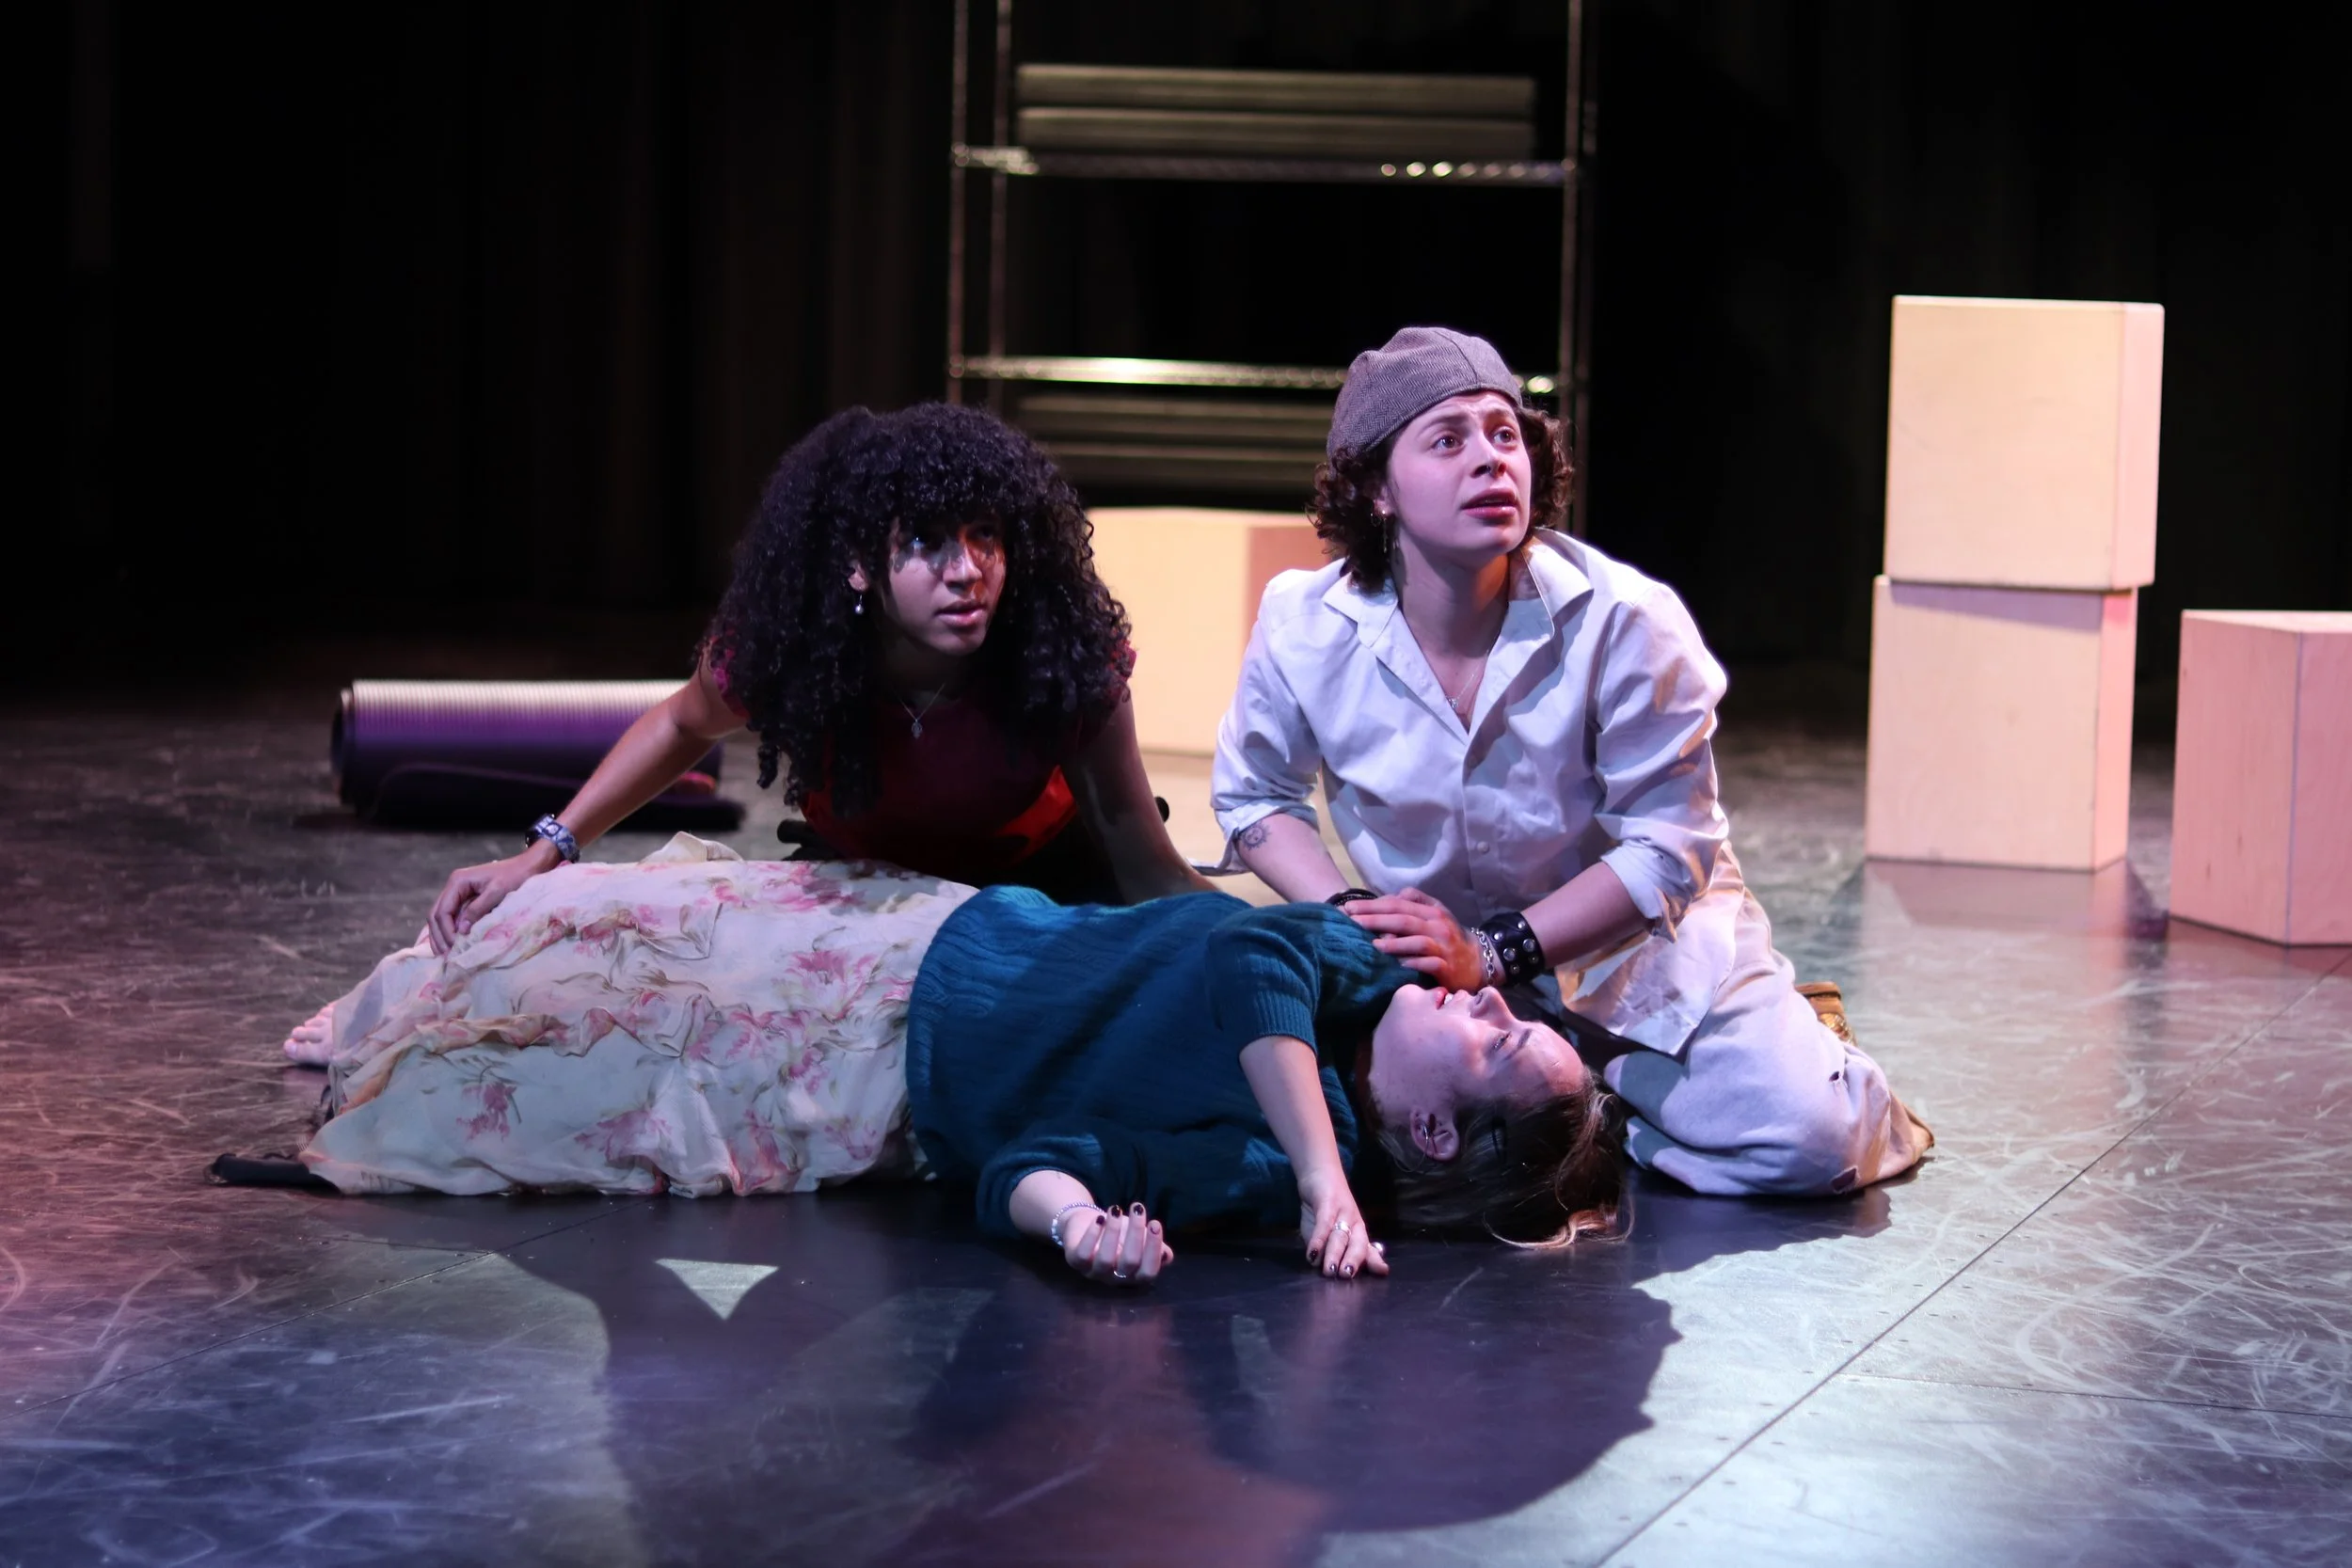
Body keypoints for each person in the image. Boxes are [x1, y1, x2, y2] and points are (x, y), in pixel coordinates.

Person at [1211, 326, 1932, 1198]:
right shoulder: (1305, 621)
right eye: (1449, 440)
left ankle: (1773, 1066)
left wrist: (1495, 949)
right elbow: (1256, 797)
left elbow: (1667, 851)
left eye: (1505, 434)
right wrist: (1362, 921)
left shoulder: (1625, 620)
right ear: (1375, 489)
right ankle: (1600, 1110)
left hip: (1628, 951)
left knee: (1813, 1145)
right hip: (1443, 987)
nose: (1491, 460)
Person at [256, 835, 1625, 1287]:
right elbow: (1240, 961)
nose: (1483, 1000)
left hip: (888, 1060)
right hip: (942, 926)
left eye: (1495, 1037)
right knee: (628, 912)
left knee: (577, 1034)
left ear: (1437, 1133)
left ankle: (406, 1030)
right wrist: (1334, 1175)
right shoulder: (1345, 966)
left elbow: (1034, 1164)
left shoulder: (1270, 1164)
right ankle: (404, 983)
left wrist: (1080, 1226)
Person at [283, 404, 1208, 1064]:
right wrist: (546, 849)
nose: (966, 570)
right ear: (857, 564)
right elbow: (683, 720)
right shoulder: (799, 649)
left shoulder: (1061, 657)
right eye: (925, 542)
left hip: (1031, 890)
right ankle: (397, 1009)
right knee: (612, 956)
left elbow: (1138, 852)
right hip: (860, 892)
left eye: (985, 536)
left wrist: (1267, 934)